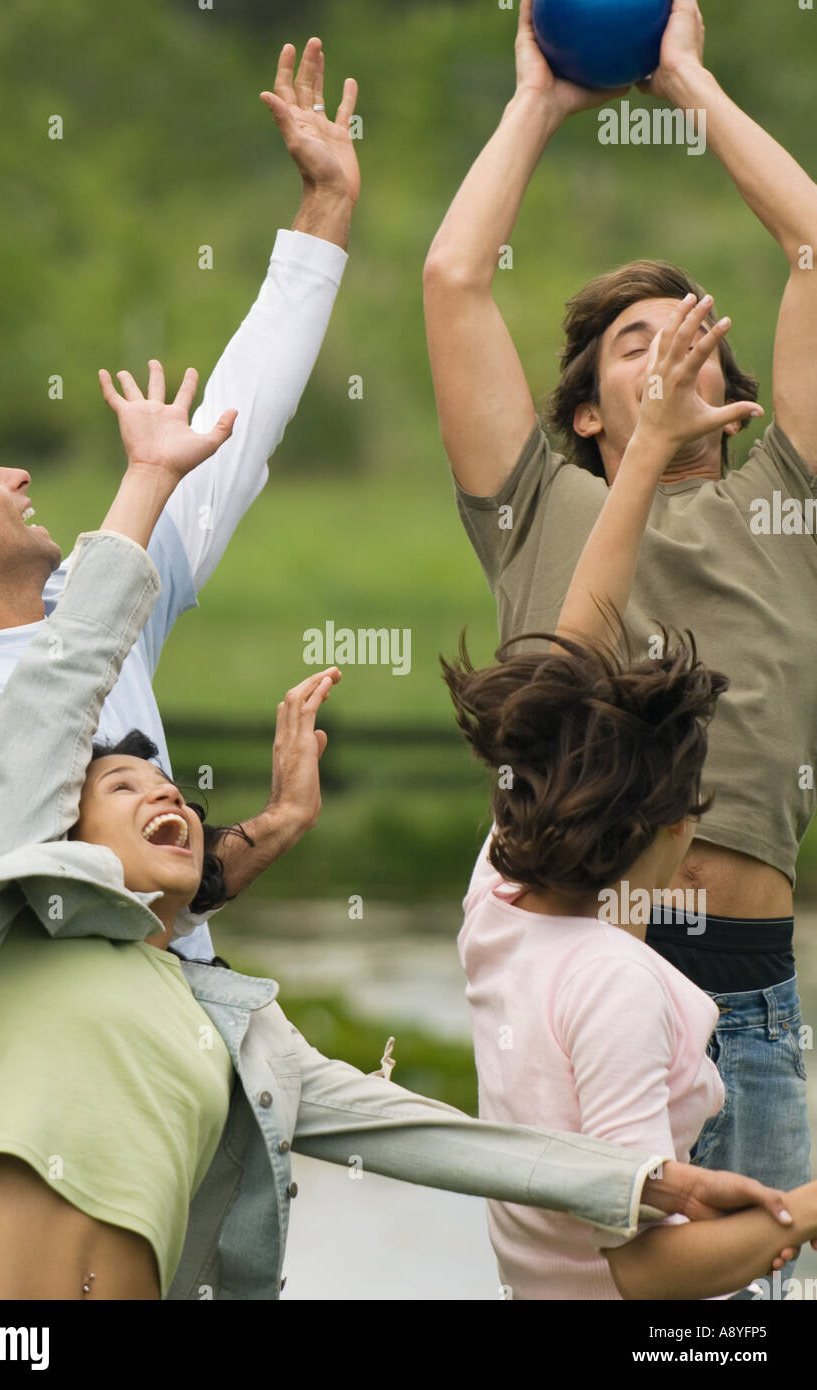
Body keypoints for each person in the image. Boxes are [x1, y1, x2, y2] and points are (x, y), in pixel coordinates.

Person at [0, 361, 794, 1302]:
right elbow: (64, 672)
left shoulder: (235, 1032)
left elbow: (424, 1137)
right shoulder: (27, 912)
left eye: (169, 788)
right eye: (121, 784)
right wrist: (149, 478)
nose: (165, 796)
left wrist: (639, 1180)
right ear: (59, 832)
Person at [423, 0, 817, 1263]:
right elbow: (451, 282)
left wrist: (687, 78)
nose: (668, 357)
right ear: (586, 413)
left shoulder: (783, 499)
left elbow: (812, 244)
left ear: (733, 385)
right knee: (607, 1298)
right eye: (633, 345)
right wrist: (536, 104)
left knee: (738, 1315)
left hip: (748, 990)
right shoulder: (546, 506)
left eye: (694, 334)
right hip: (581, 973)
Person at [0, 36, 360, 961]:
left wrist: (327, 203)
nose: (18, 477)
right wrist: (267, 831)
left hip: (184, 1035)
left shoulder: (90, 609)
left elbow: (240, 420)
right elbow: (66, 918)